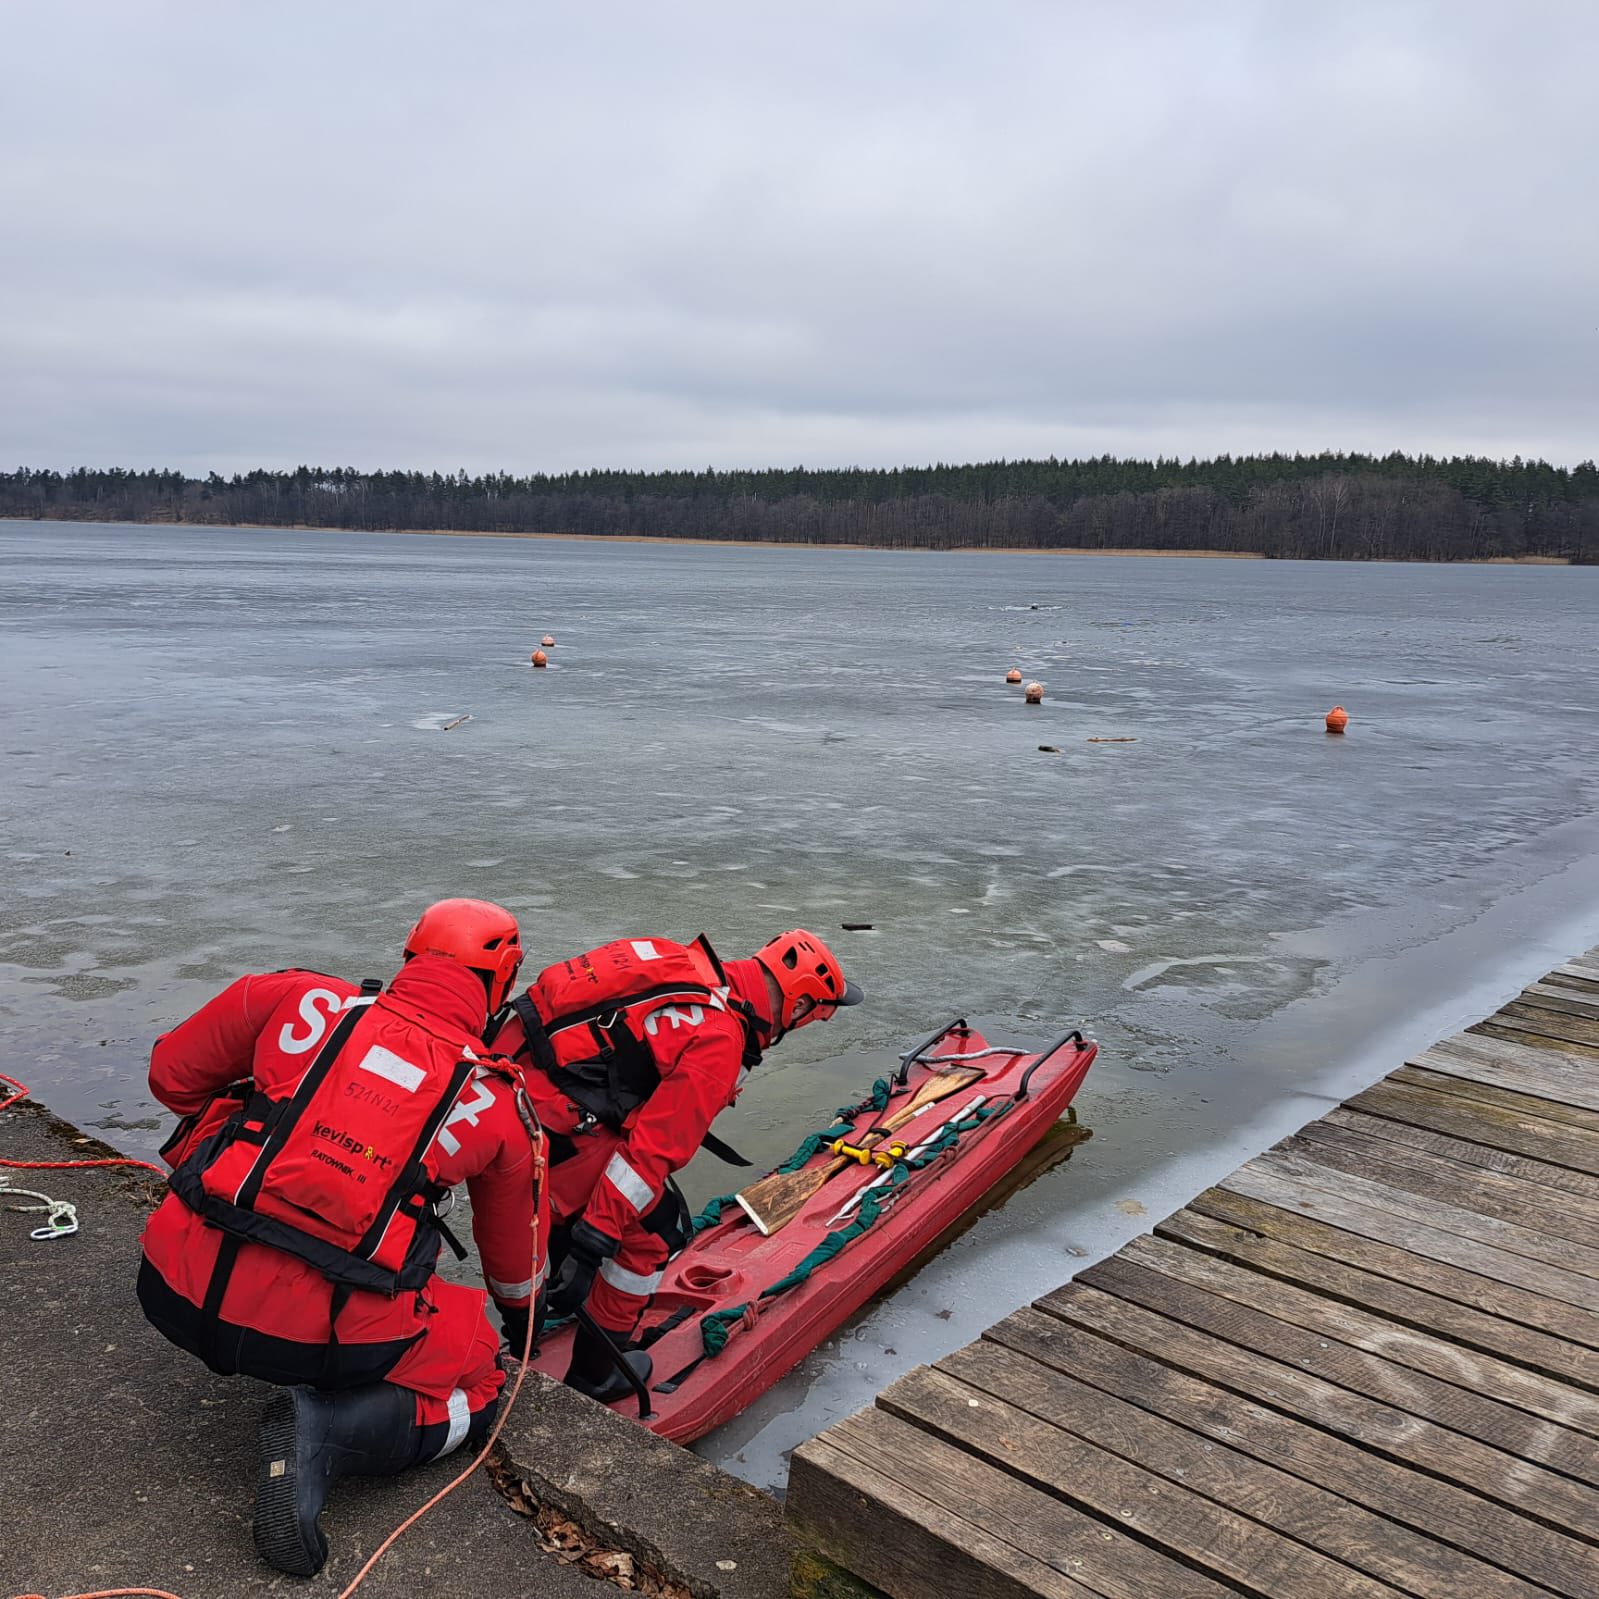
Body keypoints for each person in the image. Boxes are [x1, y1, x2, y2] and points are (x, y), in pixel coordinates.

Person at [136, 898, 547, 1578]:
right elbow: (514, 1270)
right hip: (323, 1340)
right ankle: (330, 1432)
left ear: (411, 954)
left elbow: (170, 1078)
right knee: (479, 1374)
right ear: (503, 981)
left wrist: (268, 1121)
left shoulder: (292, 996)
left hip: (169, 1281)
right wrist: (527, 1320)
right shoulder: (498, 1100)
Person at [489, 927, 861, 1401]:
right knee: (654, 1235)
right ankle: (596, 1372)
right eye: (813, 1016)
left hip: (503, 1084)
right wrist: (592, 1241)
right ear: (801, 1005)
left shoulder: (677, 962)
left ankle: (557, 1288)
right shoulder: (720, 1037)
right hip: (545, 1129)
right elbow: (650, 1154)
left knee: (610, 1199)